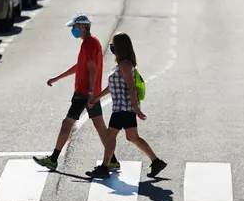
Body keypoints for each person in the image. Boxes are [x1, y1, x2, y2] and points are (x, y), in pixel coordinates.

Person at [33, 14, 121, 171]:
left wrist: (88, 93)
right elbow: (80, 66)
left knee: (67, 123)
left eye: (74, 27)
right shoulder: (92, 43)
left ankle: (53, 159)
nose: (72, 30)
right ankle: (112, 160)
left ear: (82, 27)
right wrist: (58, 78)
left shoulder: (88, 45)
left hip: (83, 94)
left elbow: (93, 70)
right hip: (90, 93)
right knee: (100, 127)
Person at [86, 32, 167, 179]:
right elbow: (112, 87)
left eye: (113, 44)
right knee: (132, 137)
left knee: (110, 136)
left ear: (119, 47)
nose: (111, 46)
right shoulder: (121, 65)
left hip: (124, 108)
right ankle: (156, 161)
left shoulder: (125, 65)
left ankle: (104, 167)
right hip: (122, 108)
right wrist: (96, 98)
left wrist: (136, 109)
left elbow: (131, 87)